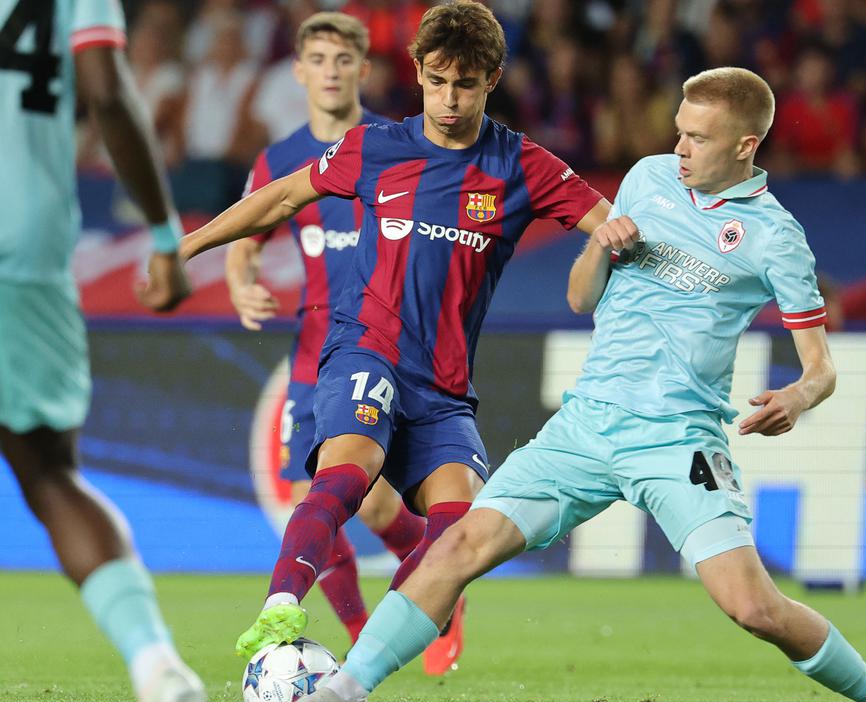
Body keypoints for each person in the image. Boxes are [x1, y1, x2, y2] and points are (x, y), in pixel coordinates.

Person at [296, 67, 866, 702]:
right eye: (678, 130)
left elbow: (821, 367)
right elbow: (581, 298)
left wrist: (795, 396)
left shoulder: (774, 237)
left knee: (753, 608)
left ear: (744, 145)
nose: (678, 148)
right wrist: (599, 247)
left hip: (677, 441)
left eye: (697, 138)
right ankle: (339, 695)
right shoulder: (647, 179)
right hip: (584, 425)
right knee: (458, 547)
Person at [177, 0, 608, 665]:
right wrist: (188, 247)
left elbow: (615, 227)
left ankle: (365, 663)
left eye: (464, 83)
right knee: (347, 477)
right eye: (436, 81)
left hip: (444, 386)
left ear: (492, 78)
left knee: (454, 538)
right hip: (363, 349)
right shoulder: (376, 148)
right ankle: (281, 604)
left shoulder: (523, 167)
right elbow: (282, 197)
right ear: (419, 74)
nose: (448, 98)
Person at [226, 10, 453, 669]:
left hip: (387, 349)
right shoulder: (279, 159)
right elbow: (248, 237)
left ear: (363, 69)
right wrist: (242, 282)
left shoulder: (396, 145)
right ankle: (363, 636)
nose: (330, 72)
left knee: (378, 505)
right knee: (313, 504)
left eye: (342, 60)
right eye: (317, 61)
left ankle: (430, 571)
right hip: (313, 351)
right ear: (298, 72)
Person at [0, 1, 203, 702]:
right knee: (51, 475)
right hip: (23, 239)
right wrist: (165, 237)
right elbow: (108, 92)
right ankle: (155, 663)